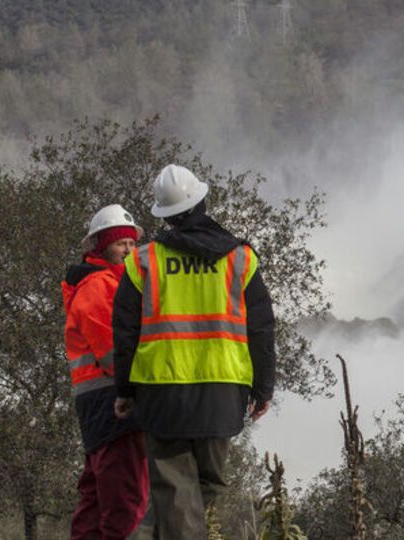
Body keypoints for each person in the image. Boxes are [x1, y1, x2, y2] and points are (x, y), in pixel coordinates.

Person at [112, 164, 276, 538]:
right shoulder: (241, 259)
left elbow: (124, 334)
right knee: (205, 486)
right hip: (222, 391)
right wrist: (264, 389)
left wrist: (124, 390)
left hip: (161, 394)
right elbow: (262, 330)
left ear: (165, 216)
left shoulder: (142, 262)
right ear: (202, 201)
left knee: (176, 493)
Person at [61, 204, 151, 539]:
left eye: (131, 244)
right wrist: (141, 387)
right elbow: (114, 353)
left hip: (100, 404)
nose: (128, 250)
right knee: (125, 501)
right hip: (113, 401)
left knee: (97, 500)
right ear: (101, 246)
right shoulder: (99, 286)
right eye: (120, 244)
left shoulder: (110, 283)